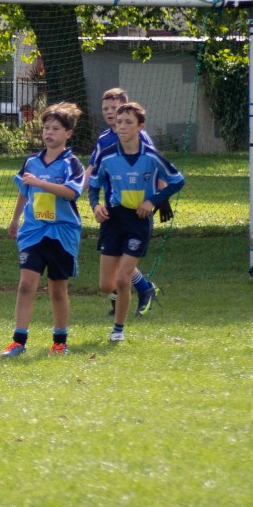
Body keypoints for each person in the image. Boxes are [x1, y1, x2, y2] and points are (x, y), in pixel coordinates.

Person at [88, 102, 185, 343]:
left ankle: (118, 330)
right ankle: (144, 288)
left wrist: (152, 201)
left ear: (141, 126)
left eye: (128, 122)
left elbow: (177, 181)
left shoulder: (151, 156)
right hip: (112, 220)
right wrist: (96, 206)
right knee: (106, 284)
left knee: (123, 278)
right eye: (119, 122)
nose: (121, 126)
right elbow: (94, 186)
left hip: (138, 222)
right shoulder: (106, 154)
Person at [1, 102, 85, 358]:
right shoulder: (31, 162)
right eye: (46, 127)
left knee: (57, 289)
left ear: (68, 133)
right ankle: (18, 341)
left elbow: (71, 192)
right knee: (26, 284)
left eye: (55, 128)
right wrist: (15, 219)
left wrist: (41, 183)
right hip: (33, 231)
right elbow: (24, 191)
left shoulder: (71, 163)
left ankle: (59, 342)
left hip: (62, 232)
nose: (49, 132)